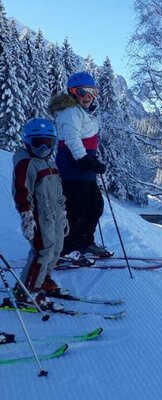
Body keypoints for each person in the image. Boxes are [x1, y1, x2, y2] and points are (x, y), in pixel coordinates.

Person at [48, 72, 111, 259]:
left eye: (91, 92)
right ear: (72, 93)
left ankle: (85, 242)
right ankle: (65, 249)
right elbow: (72, 139)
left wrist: (91, 160)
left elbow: (86, 139)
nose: (87, 96)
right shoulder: (70, 112)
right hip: (72, 169)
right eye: (81, 92)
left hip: (84, 170)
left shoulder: (84, 113)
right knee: (75, 211)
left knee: (94, 206)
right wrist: (86, 160)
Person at [12, 118, 68, 306]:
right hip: (38, 217)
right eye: (38, 143)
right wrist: (26, 216)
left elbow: (59, 193)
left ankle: (42, 278)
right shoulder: (26, 163)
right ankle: (25, 291)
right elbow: (21, 191)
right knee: (42, 252)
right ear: (28, 142)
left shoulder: (49, 163)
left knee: (56, 248)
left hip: (54, 216)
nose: (43, 148)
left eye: (48, 143)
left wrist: (63, 215)